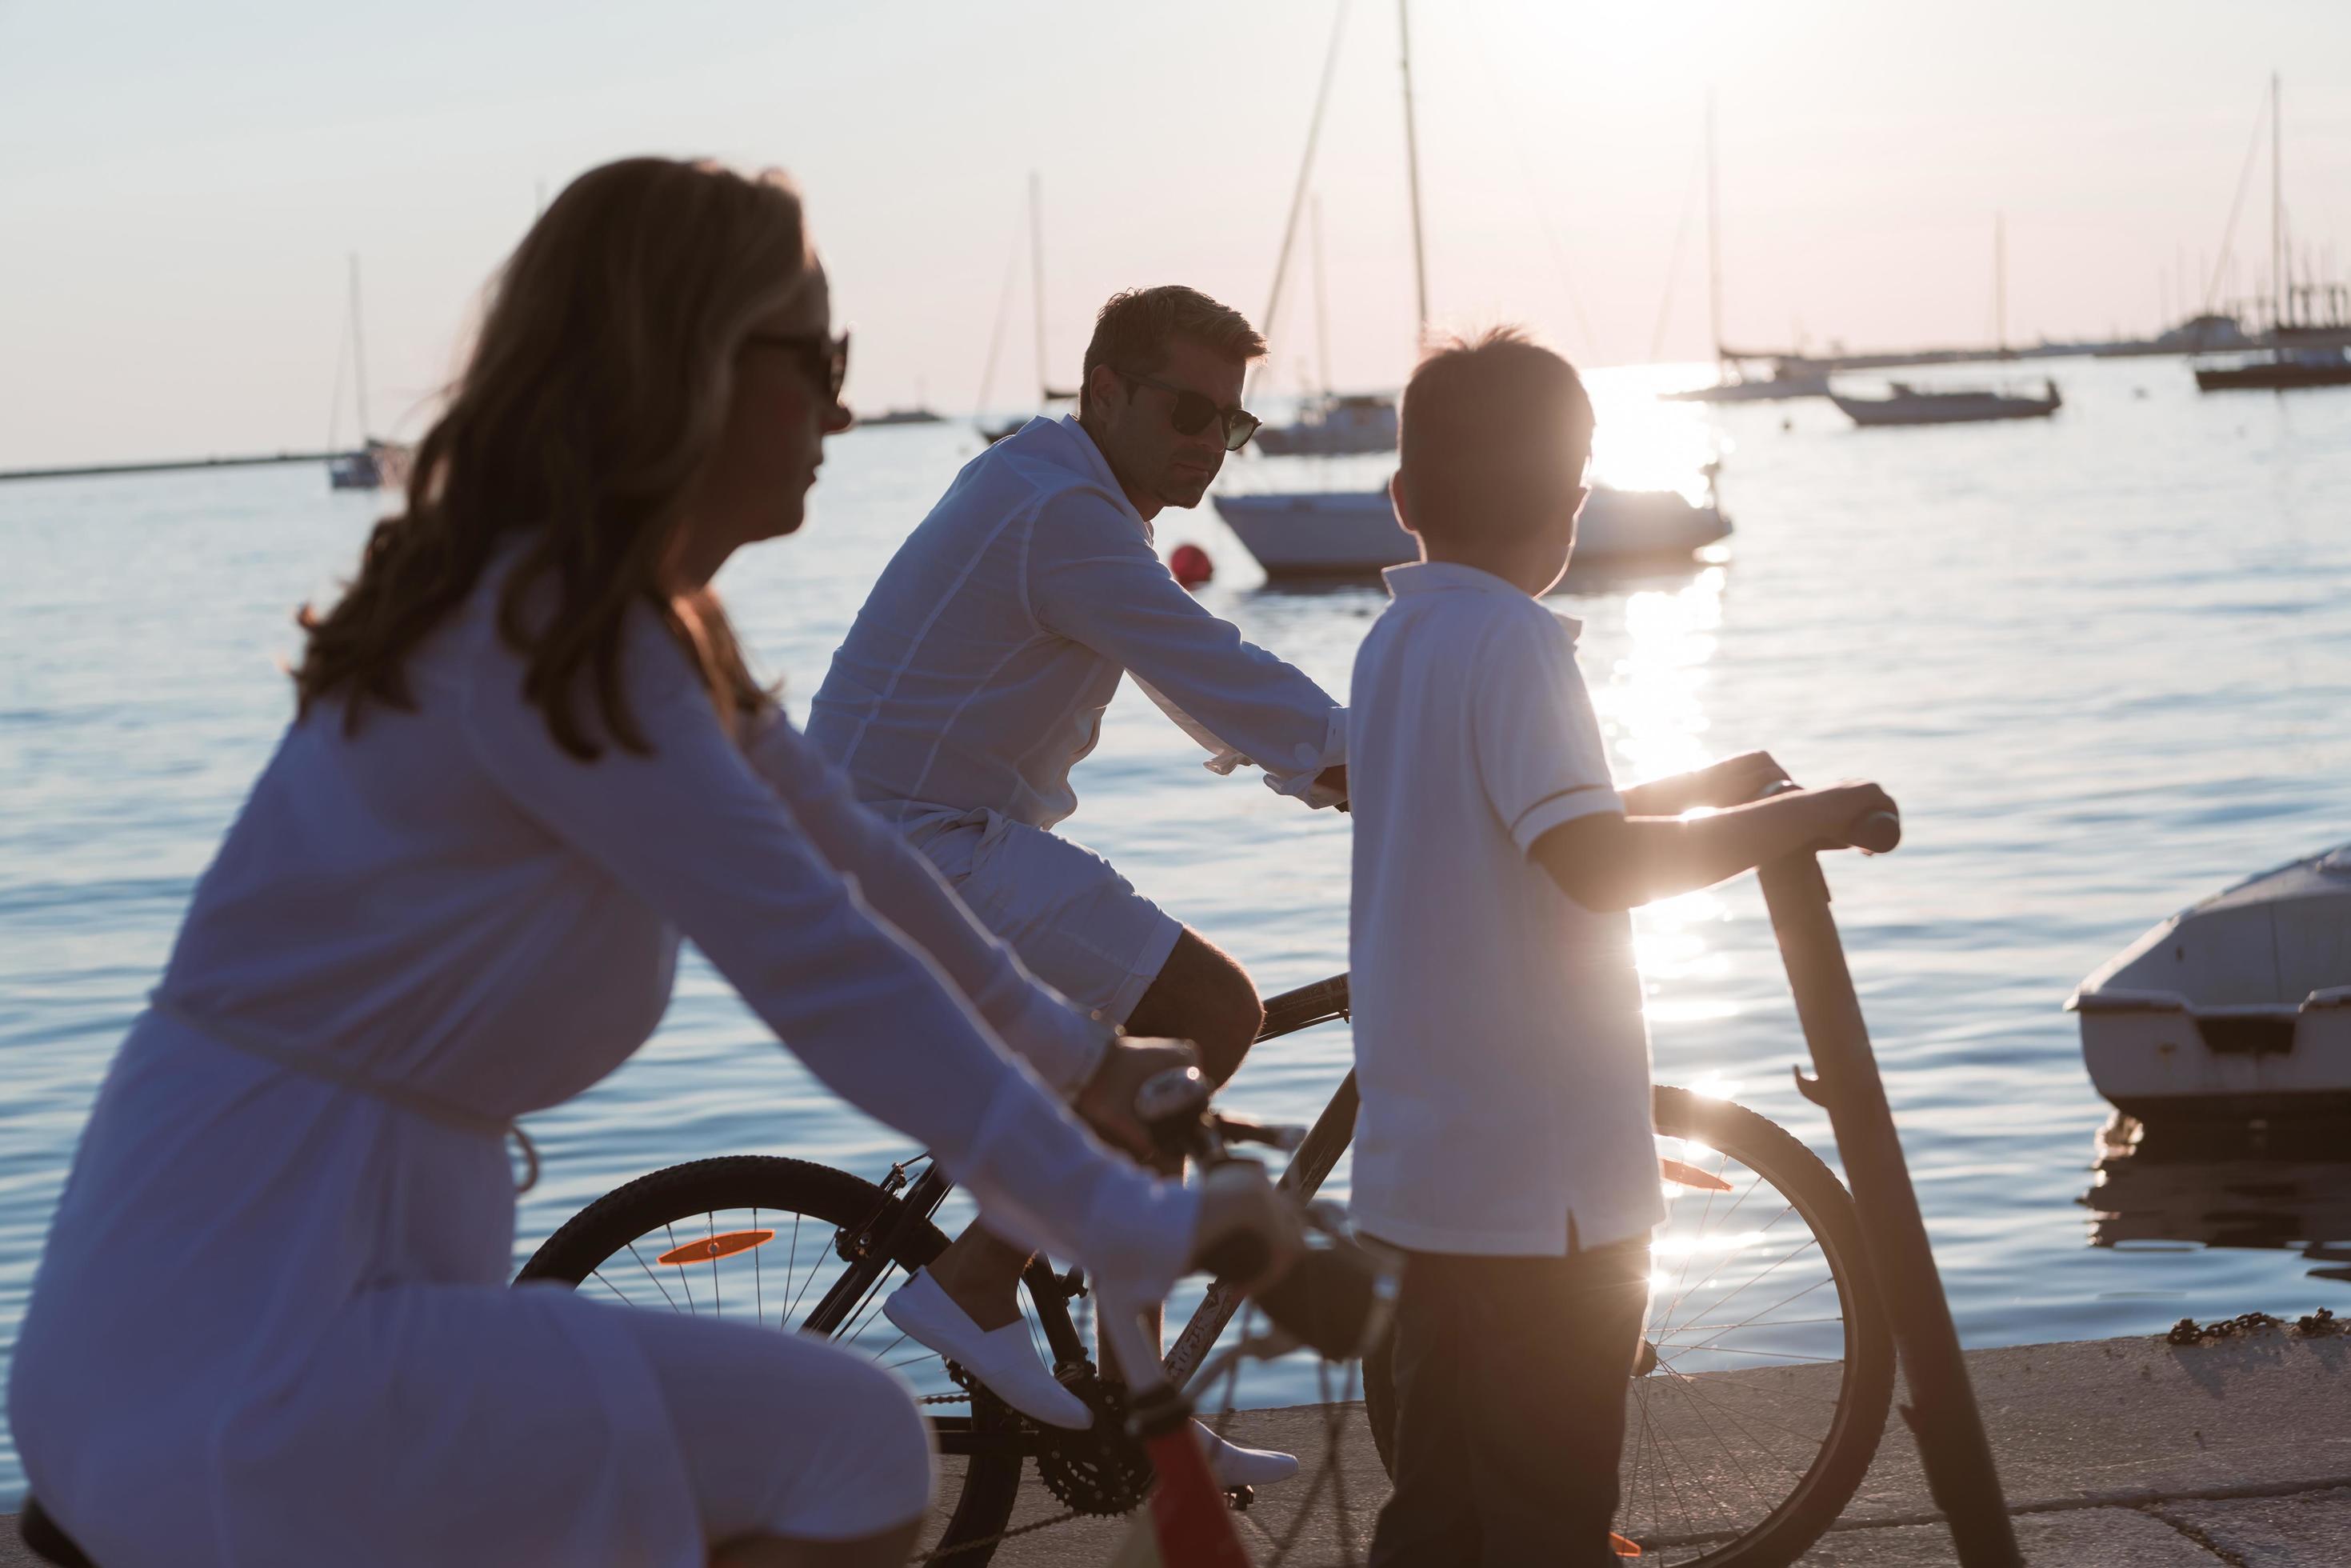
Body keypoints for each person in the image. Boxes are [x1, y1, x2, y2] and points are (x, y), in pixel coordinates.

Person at [6, 158, 1297, 1568]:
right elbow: (818, 961)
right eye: (818, 360)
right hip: (242, 1324)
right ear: (679, 361)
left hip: (296, 1295)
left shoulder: (639, 633)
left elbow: (863, 870)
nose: (845, 407)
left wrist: (1095, 1070)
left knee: (802, 1453)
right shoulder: (548, 627)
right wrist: (1100, 1190)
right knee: (847, 1442)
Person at [1345, 329, 1897, 1566]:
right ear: (1574, 498)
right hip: (1547, 1214)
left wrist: (1711, 788)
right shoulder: (1520, 646)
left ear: (1401, 497)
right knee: (1550, 1526)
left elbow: (1524, 824)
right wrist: (1810, 813)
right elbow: (1594, 865)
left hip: (1424, 1191)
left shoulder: (1396, 649)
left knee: (1438, 1518)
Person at [806, 285, 1341, 1477]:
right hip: (913, 845)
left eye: (1229, 426)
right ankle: (978, 1277)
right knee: (1207, 1014)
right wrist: (1368, 762)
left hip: (912, 835)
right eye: (1186, 411)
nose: (1207, 443)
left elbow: (1184, 669)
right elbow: (1211, 661)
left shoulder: (1058, 490)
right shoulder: (1062, 515)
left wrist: (1323, 765)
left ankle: (1139, 1405)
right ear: (1103, 390)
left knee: (1138, 1073)